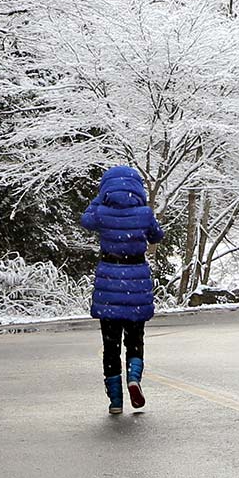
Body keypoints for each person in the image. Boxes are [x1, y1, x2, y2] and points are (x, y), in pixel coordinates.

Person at [80, 163, 165, 414]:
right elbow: (157, 236)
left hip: (109, 281)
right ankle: (134, 379)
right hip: (136, 281)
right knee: (135, 338)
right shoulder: (145, 213)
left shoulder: (102, 213)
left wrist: (98, 200)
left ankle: (115, 400)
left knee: (111, 344)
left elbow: (86, 219)